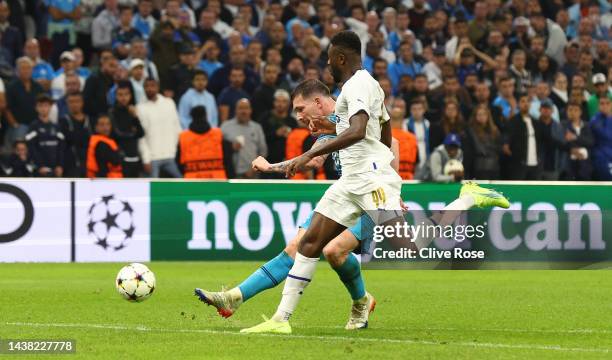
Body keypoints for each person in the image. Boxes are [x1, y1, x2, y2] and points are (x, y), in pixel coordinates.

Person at [241, 31, 509, 335]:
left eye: (330, 59)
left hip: (370, 181)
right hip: (352, 180)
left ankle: (467, 198)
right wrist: (341, 134)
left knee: (409, 247)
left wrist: (309, 156)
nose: (328, 65)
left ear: (341, 58)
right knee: (310, 242)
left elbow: (356, 131)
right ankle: (281, 320)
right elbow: (381, 126)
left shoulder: (358, 86)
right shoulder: (357, 89)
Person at [195, 79, 398, 327]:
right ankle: (234, 297)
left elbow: (391, 144)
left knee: (334, 250)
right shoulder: (331, 127)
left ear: (318, 102)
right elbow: (312, 161)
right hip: (346, 193)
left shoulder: (351, 110)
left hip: (371, 195)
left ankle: (359, 303)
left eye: (300, 109)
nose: (299, 116)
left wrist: (391, 189)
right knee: (297, 246)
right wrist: (273, 167)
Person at [137, 78, 182, 178]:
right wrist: (146, 159)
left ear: (158, 87)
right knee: (153, 189)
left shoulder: (169, 103)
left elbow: (177, 127)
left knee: (182, 184)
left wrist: (175, 150)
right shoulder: (140, 108)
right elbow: (141, 136)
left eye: (152, 85)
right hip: (152, 157)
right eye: (146, 86)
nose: (149, 88)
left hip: (171, 154)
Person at [220, 98, 267, 178]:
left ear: (250, 110)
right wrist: (230, 148)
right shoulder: (225, 127)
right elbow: (219, 150)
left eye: (246, 108)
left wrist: (253, 170)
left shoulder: (257, 128)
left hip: (252, 175)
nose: (243, 111)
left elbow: (263, 152)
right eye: (241, 108)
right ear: (235, 110)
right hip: (231, 175)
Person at [176, 106, 228, 179]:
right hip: (217, 183)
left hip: (192, 184)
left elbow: (179, 163)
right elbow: (228, 161)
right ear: (206, 116)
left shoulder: (183, 137)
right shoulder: (218, 134)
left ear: (192, 117)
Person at [503, 93, 542, 180]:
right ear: (518, 104)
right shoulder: (513, 122)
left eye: (528, 101)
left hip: (536, 164)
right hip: (519, 164)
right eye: (523, 101)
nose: (526, 104)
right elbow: (507, 137)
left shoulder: (536, 122)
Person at [25, 95, 65, 177]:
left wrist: (60, 165)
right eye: (40, 106)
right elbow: (31, 148)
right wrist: (39, 166)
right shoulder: (33, 126)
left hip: (55, 169)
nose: (43, 109)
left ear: (50, 107)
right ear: (36, 108)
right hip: (39, 170)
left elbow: (61, 147)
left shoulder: (56, 127)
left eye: (46, 105)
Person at [110, 82, 145, 177]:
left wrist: (135, 117)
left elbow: (141, 133)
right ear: (116, 96)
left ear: (130, 95)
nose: (123, 98)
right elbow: (116, 134)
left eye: (126, 94)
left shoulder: (132, 111)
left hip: (135, 157)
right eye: (120, 95)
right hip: (120, 158)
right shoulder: (112, 112)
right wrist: (133, 133)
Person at [258, 89, 297, 171]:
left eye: (283, 101)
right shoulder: (265, 118)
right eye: (278, 101)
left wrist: (290, 137)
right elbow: (259, 139)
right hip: (267, 162)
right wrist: (276, 134)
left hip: (286, 163)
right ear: (274, 102)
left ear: (289, 103)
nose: (280, 104)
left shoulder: (292, 121)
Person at [462, 104, 501, 180]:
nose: (482, 117)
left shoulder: (495, 130)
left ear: (488, 116)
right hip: (478, 168)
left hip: (494, 168)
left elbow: (499, 148)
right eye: (479, 114)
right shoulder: (471, 131)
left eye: (484, 114)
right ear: (475, 116)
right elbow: (476, 149)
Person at [59, 92, 91, 177]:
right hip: (70, 166)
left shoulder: (90, 121)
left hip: (89, 165)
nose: (74, 104)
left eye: (77, 101)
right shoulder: (63, 122)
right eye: (71, 102)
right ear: (67, 103)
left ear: (82, 102)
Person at [560, 102, 593, 180]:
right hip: (568, 165)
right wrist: (572, 150)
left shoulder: (587, 125)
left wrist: (575, 137)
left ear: (580, 112)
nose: (572, 113)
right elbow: (561, 142)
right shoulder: (562, 125)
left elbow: (591, 142)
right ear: (566, 112)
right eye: (570, 110)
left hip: (585, 165)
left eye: (575, 110)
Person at [389, 105, 417, 180]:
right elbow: (418, 161)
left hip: (391, 178)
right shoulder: (412, 138)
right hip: (409, 179)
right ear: (403, 119)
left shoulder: (385, 137)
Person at [590, 96, 612, 180]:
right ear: (598, 106)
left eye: (607, 103)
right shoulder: (594, 121)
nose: (605, 106)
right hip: (601, 159)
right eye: (602, 103)